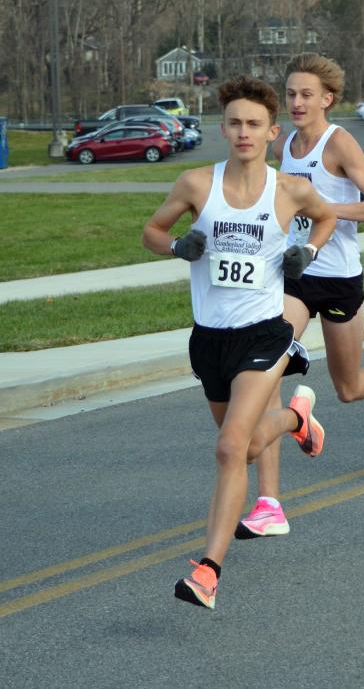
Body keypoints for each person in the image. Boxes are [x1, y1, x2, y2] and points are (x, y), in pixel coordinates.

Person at [141, 75, 337, 609]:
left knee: (229, 448)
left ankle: (208, 569)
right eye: (234, 123)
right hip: (210, 338)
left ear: (272, 131)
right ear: (222, 127)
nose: (244, 132)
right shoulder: (195, 184)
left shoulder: (289, 190)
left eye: (254, 124)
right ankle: (298, 418)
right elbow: (152, 232)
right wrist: (180, 244)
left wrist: (310, 253)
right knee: (247, 446)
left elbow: (326, 217)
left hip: (263, 334)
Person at [242, 53, 364, 539]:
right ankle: (270, 503)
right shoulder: (286, 145)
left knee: (349, 387)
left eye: (305, 94)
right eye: (290, 93)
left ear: (327, 99)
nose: (295, 102)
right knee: (265, 371)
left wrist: (323, 207)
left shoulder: (340, 143)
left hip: (337, 276)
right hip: (293, 274)